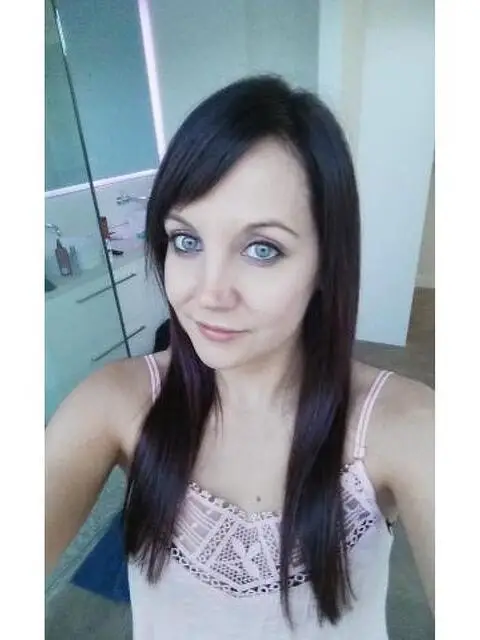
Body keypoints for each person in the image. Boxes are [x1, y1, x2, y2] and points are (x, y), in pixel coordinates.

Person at [46, 75, 434, 638]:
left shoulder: (407, 426)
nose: (209, 293)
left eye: (262, 249)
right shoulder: (115, 402)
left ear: (326, 263)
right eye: (186, 241)